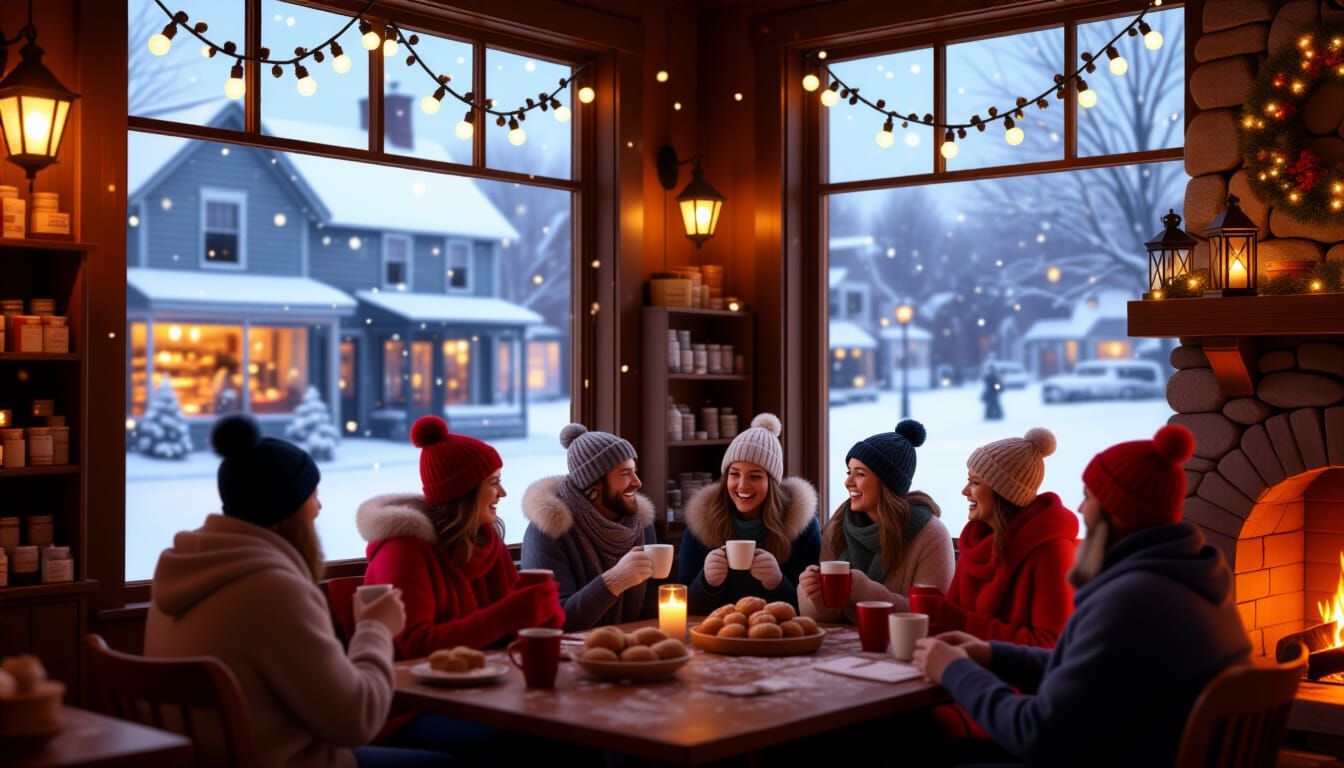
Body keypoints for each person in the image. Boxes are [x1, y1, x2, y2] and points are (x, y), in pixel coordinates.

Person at [913, 425, 1251, 768]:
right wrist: (992, 655)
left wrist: (956, 671)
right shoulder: (1189, 584)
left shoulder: (1131, 601)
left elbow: (1038, 734)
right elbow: (1088, 669)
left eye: (1089, 496)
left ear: (1115, 513)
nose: (1079, 507)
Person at [145, 415, 449, 767]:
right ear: (286, 510)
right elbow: (356, 722)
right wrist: (375, 629)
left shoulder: (180, 574)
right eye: (312, 495)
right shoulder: (273, 592)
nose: (319, 508)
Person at [358, 415, 563, 660]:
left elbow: (512, 629)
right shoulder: (403, 550)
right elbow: (414, 645)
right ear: (465, 492)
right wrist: (507, 616)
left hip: (488, 682)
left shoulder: (486, 538)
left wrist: (544, 616)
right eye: (494, 482)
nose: (503, 492)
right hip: (413, 690)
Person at [797, 419, 954, 621]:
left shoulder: (931, 535)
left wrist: (871, 594)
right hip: (842, 649)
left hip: (906, 647)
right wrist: (812, 594)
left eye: (860, 474)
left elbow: (933, 615)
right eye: (849, 472)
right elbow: (826, 618)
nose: (848, 482)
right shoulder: (837, 526)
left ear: (887, 483)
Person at [937, 427, 1077, 646]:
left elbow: (1051, 645)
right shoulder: (975, 542)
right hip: (963, 668)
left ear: (1003, 492)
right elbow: (950, 617)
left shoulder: (1051, 551)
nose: (965, 491)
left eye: (975, 482)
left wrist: (960, 623)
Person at [520, 423, 663, 630]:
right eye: (625, 474)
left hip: (633, 648)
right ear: (593, 485)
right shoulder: (549, 531)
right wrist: (614, 580)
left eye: (635, 471)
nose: (637, 482)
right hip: (575, 657)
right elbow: (554, 619)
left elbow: (652, 611)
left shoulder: (640, 525)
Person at [679, 413, 820, 615]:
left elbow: (811, 610)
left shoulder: (803, 528)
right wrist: (707, 583)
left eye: (755, 476)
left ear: (771, 483)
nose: (742, 485)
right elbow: (683, 608)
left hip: (777, 636)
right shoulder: (701, 525)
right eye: (734, 474)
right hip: (719, 635)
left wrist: (777, 582)